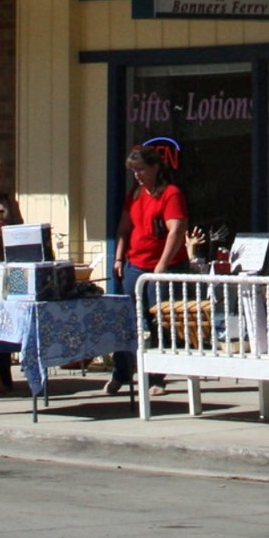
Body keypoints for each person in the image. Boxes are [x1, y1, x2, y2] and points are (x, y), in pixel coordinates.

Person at [106, 145, 187, 396]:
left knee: (159, 321)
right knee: (126, 319)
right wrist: (119, 258)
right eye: (134, 171)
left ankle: (157, 377)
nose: (138, 175)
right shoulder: (136, 194)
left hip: (162, 267)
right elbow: (123, 228)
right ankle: (121, 372)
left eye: (141, 169)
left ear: (154, 167)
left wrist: (162, 264)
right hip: (135, 265)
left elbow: (177, 229)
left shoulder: (170, 194)